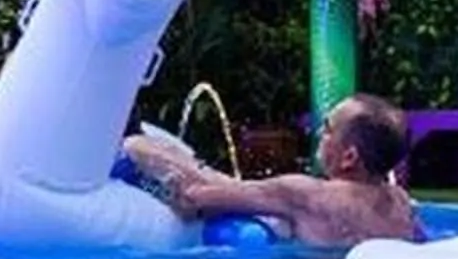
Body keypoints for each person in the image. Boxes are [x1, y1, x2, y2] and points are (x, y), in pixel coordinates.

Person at [117, 94, 424, 249]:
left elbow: (196, 196)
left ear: (349, 158)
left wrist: (143, 151)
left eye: (328, 129)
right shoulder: (400, 203)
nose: (320, 132)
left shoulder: (309, 194)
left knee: (141, 147)